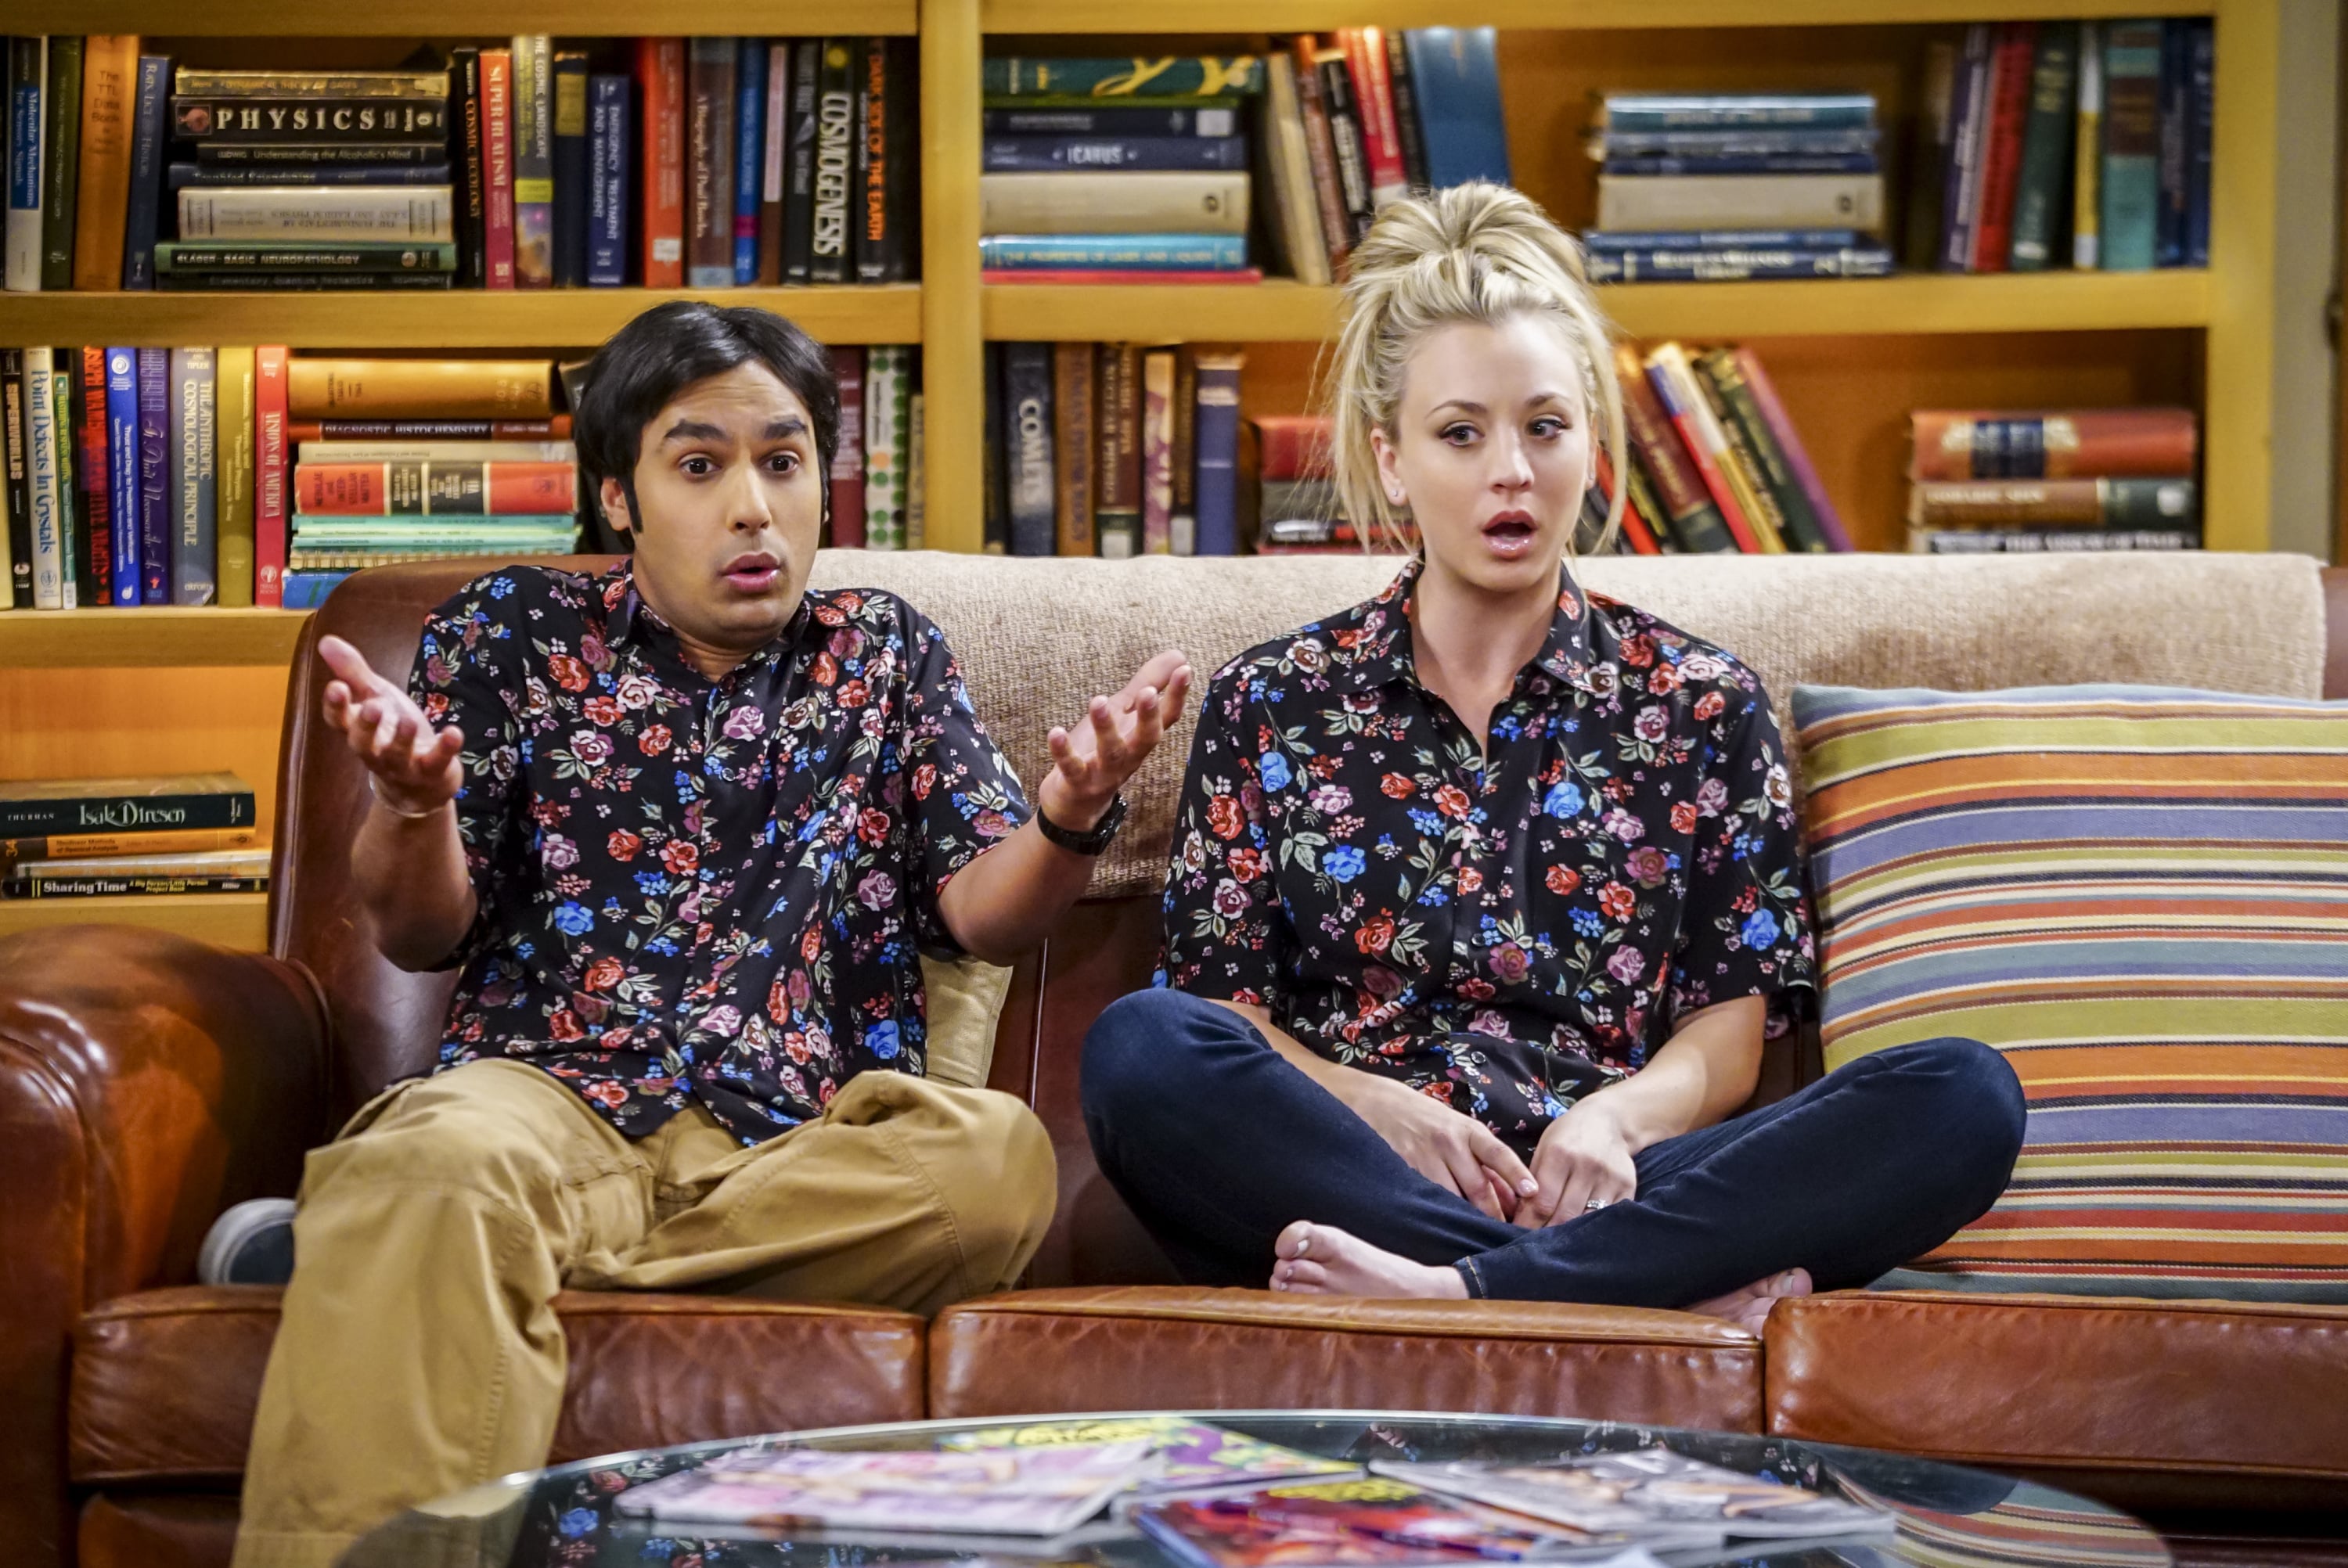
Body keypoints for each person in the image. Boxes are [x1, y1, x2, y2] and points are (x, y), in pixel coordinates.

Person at [227, 301, 1190, 1568]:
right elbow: (418, 932)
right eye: (699, 465)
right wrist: (412, 804)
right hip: (546, 1103)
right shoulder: (511, 633)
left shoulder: (884, 655)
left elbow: (985, 915)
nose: (753, 508)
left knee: (997, 1162)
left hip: (801, 1146)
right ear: (617, 498)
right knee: (445, 1156)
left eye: (784, 463)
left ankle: (410, 1255)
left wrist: (1069, 814)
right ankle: (427, 1229)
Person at [1081, 184, 2023, 1325]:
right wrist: (1378, 1107)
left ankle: (1459, 1298)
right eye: (1460, 433)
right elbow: (1224, 1019)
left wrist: (1612, 1122)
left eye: (1544, 426)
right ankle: (1615, 1298)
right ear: (1391, 461)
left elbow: (1725, 1040)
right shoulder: (1270, 700)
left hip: (1618, 1184)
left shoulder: (1703, 703)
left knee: (1963, 1095)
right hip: (1360, 1179)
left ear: (1590, 442)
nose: (1512, 471)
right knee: (1140, 1048)